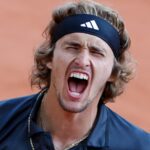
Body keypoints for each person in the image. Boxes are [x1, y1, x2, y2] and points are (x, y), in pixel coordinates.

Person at [0, 0, 150, 149]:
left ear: (113, 72)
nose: (83, 60)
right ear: (49, 58)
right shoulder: (4, 121)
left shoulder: (138, 146)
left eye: (96, 52)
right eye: (72, 47)